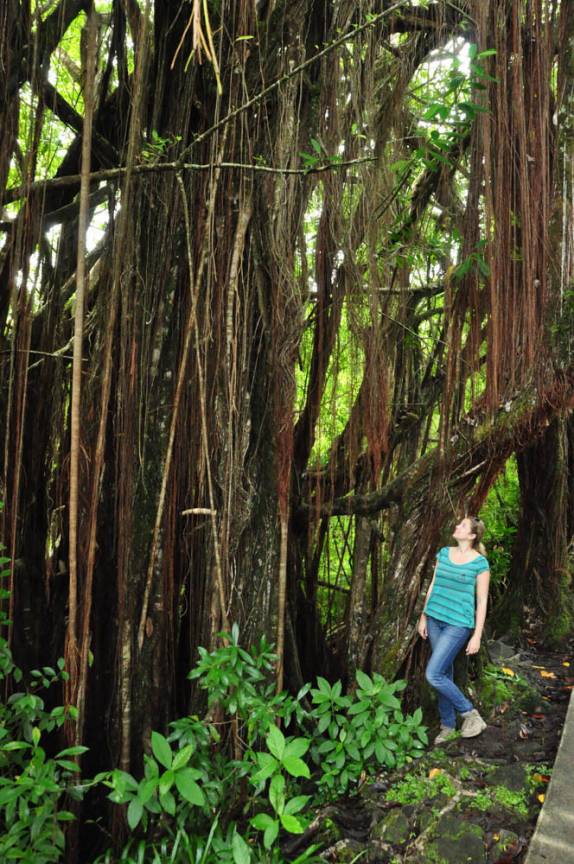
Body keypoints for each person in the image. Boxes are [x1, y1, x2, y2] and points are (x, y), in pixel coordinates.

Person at [417, 516, 490, 745]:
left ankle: (470, 714)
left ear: (472, 535)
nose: (457, 526)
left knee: (433, 674)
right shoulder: (444, 553)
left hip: (458, 624)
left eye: (463, 525)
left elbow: (482, 601)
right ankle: (447, 726)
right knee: (443, 673)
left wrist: (477, 635)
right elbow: (433, 586)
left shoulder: (480, 564)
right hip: (435, 619)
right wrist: (423, 616)